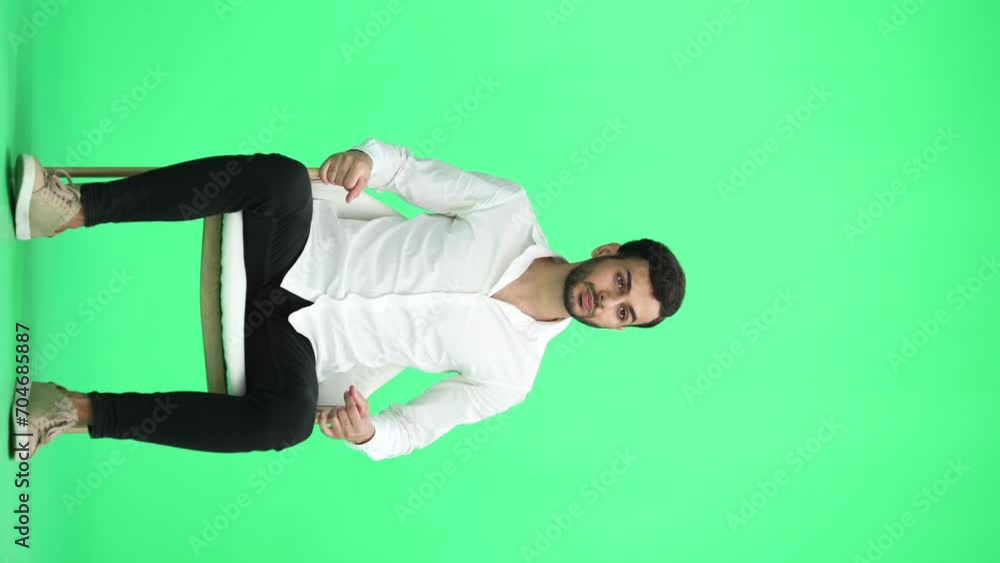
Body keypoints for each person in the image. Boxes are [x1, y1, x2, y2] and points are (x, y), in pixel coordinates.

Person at [9, 138, 685, 461]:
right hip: (299, 249)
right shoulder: (510, 208)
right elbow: (408, 173)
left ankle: (71, 411)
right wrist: (370, 162)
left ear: (620, 329)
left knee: (289, 424)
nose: (606, 301)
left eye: (624, 312)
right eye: (620, 281)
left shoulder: (514, 375)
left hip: (304, 345)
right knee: (279, 178)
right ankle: (68, 210)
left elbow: (416, 428)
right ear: (607, 252)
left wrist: (369, 433)